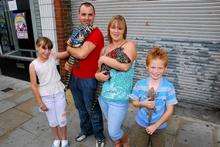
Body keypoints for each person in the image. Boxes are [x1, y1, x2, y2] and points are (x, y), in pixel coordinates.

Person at [64, 2, 105, 146]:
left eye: (90, 14)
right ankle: (86, 130)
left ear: (94, 15)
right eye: (83, 14)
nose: (87, 18)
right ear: (79, 15)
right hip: (75, 77)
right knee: (80, 108)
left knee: (92, 109)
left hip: (89, 79)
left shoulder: (96, 33)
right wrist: (61, 55)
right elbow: (69, 49)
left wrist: (68, 48)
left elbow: (81, 53)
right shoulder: (78, 31)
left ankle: (99, 136)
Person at [95, 15, 137, 147]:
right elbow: (98, 71)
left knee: (113, 131)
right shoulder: (105, 49)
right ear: (109, 29)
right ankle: (118, 143)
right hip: (103, 96)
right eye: (113, 27)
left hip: (119, 98)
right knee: (114, 125)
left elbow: (125, 66)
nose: (116, 31)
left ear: (124, 30)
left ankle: (125, 140)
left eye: (120, 28)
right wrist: (98, 76)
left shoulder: (129, 45)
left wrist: (103, 59)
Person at [129, 47, 178, 147]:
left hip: (159, 126)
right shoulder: (139, 84)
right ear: (147, 67)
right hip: (141, 124)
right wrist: (143, 103)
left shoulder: (168, 87)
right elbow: (134, 102)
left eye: (160, 68)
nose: (156, 71)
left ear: (165, 68)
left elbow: (169, 111)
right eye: (153, 67)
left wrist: (155, 126)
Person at [29, 37, 70, 147]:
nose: (47, 51)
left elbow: (66, 53)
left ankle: (64, 139)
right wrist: (40, 103)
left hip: (58, 93)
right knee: (52, 121)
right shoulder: (33, 65)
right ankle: (57, 139)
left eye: (49, 49)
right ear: (37, 47)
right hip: (45, 96)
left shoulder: (52, 56)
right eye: (43, 48)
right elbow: (33, 85)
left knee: (62, 119)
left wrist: (73, 44)